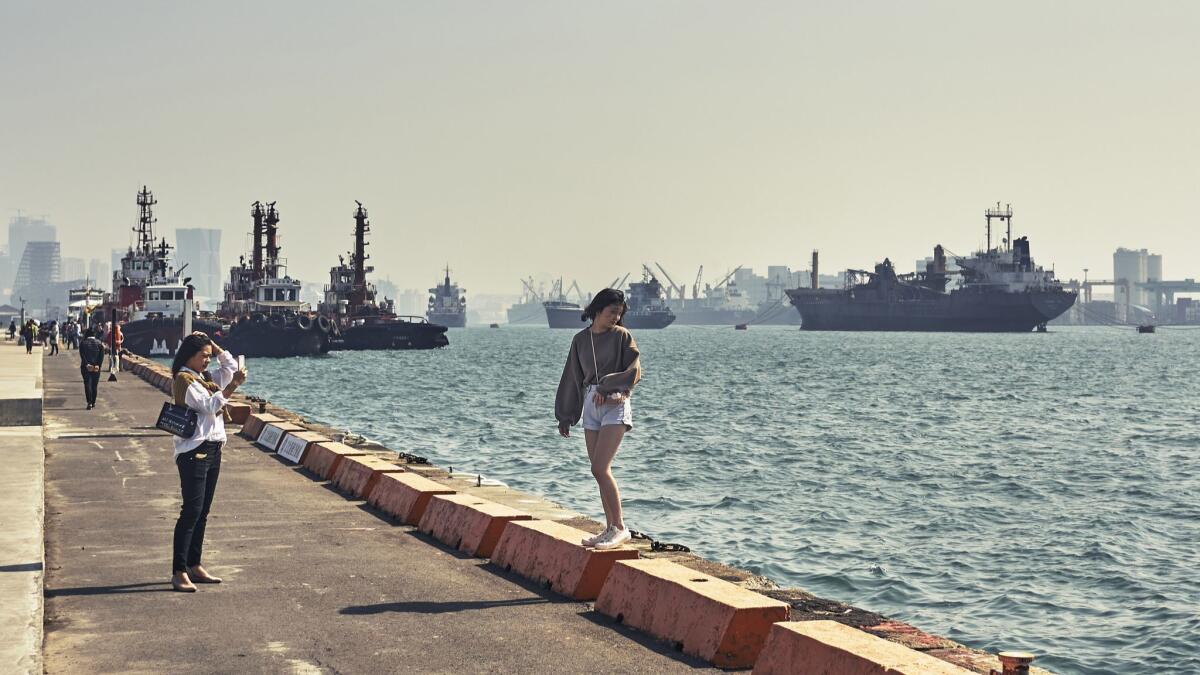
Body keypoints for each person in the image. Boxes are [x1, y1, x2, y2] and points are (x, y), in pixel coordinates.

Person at [555, 288, 642, 550]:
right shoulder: (580, 340)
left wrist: (609, 387)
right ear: (597, 310)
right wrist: (566, 415)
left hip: (615, 403)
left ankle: (620, 528)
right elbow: (571, 377)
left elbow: (634, 370)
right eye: (611, 312)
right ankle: (609, 528)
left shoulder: (622, 336)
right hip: (591, 404)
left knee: (600, 468)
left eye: (619, 313)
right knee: (598, 472)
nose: (616, 317)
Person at [169, 332, 246, 593]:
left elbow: (230, 366)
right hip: (194, 450)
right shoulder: (184, 380)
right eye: (203, 356)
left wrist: (214, 346)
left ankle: (195, 564)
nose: (207, 361)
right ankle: (179, 571)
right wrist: (233, 386)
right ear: (189, 355)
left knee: (203, 511)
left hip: (213, 447)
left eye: (208, 356)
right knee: (191, 510)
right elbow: (210, 406)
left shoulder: (205, 378)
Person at [78, 328, 106, 409]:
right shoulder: (99, 343)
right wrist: (98, 365)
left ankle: (89, 402)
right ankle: (93, 402)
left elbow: (82, 356)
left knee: (87, 384)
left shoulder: (83, 343)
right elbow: (101, 356)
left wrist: (87, 364)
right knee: (94, 385)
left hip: (86, 367)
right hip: (96, 367)